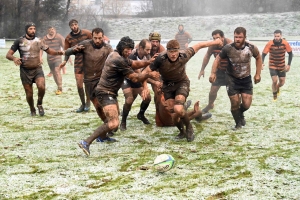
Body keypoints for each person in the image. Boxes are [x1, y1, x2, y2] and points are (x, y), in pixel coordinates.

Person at [77, 36, 160, 156]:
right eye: (127, 49)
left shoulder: (117, 55)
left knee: (113, 123)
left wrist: (148, 62)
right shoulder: (118, 60)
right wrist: (149, 74)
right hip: (105, 93)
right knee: (113, 123)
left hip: (108, 92)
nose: (129, 52)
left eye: (131, 49)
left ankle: (103, 137)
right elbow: (135, 77)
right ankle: (86, 142)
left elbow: (134, 63)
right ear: (121, 47)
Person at [144, 38, 223, 142]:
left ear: (179, 50)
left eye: (175, 51)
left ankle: (189, 127)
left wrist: (215, 42)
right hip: (167, 85)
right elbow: (145, 72)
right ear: (167, 51)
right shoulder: (160, 59)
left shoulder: (184, 55)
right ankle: (182, 131)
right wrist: (145, 86)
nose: (173, 54)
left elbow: (199, 45)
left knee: (178, 109)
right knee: (174, 116)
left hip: (182, 83)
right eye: (171, 52)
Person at [62, 27, 115, 139]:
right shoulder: (85, 44)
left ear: (103, 37)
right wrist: (73, 50)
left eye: (99, 38)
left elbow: (116, 58)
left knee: (108, 103)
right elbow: (67, 51)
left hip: (103, 80)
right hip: (89, 81)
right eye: (95, 38)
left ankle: (112, 122)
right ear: (92, 36)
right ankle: (107, 124)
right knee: (97, 105)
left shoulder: (108, 48)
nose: (97, 40)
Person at [6, 22, 64, 116]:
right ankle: (32, 109)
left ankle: (39, 104)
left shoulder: (39, 40)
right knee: (29, 93)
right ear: (26, 30)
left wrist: (58, 53)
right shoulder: (19, 41)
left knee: (41, 87)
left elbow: (49, 50)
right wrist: (14, 58)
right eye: (30, 29)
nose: (33, 30)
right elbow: (8, 55)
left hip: (37, 69)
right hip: (25, 70)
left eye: (34, 28)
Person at [209, 27, 262, 130]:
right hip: (231, 78)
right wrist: (213, 73)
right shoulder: (228, 48)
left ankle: (240, 113)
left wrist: (258, 74)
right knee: (235, 103)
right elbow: (218, 58)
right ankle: (238, 124)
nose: (237, 39)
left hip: (246, 78)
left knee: (246, 104)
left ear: (245, 37)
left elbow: (258, 57)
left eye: (240, 37)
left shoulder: (251, 47)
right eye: (236, 37)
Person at [119, 39, 152, 131]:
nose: (149, 52)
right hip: (126, 79)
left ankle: (141, 114)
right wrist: (149, 84)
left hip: (138, 80)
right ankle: (123, 121)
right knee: (129, 100)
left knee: (148, 98)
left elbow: (146, 72)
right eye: (147, 49)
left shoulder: (147, 56)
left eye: (150, 50)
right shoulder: (132, 55)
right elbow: (140, 74)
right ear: (140, 48)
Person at [198, 30, 232, 114]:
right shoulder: (213, 45)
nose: (216, 40)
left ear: (223, 38)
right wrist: (202, 69)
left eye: (217, 38)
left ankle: (236, 109)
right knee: (213, 91)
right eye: (214, 38)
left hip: (231, 72)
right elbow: (207, 56)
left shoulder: (230, 44)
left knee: (233, 93)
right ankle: (210, 104)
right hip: (219, 70)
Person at [65, 19, 92, 112]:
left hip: (88, 62)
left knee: (87, 84)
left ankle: (88, 102)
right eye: (72, 25)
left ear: (78, 24)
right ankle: (83, 103)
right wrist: (65, 61)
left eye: (75, 24)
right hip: (78, 63)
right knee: (79, 84)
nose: (74, 26)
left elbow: (95, 42)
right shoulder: (68, 38)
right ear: (70, 27)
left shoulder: (87, 33)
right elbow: (66, 51)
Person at [262, 30, 293, 101]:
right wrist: (262, 62)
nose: (276, 38)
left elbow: (290, 53)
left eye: (278, 36)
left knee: (282, 82)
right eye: (275, 36)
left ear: (281, 36)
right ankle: (274, 96)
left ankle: (278, 87)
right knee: (274, 80)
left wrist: (288, 65)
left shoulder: (285, 43)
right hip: (272, 65)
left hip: (281, 65)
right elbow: (263, 54)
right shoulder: (270, 43)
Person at [43, 26, 65, 95]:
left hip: (58, 57)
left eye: (52, 29)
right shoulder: (45, 38)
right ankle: (58, 86)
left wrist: (67, 56)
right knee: (54, 73)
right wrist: (40, 57)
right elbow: (41, 48)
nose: (51, 31)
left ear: (55, 30)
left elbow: (64, 46)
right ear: (47, 31)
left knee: (57, 70)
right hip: (49, 59)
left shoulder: (59, 37)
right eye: (49, 30)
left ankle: (60, 88)